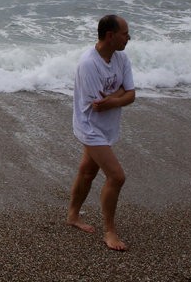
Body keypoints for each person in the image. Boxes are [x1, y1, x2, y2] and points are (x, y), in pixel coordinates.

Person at [66, 14, 136, 251]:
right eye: (125, 33)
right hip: (89, 126)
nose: (129, 37)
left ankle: (73, 215)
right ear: (110, 35)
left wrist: (114, 97)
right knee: (117, 176)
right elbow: (99, 104)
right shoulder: (88, 63)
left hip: (107, 126)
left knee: (87, 171)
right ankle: (110, 232)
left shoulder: (121, 59)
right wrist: (119, 94)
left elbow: (131, 95)